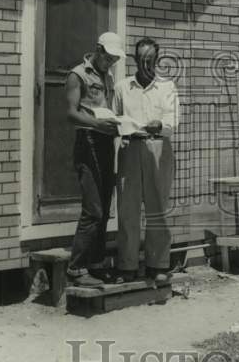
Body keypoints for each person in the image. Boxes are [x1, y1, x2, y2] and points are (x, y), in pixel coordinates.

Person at [113, 37, 180, 285]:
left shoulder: (167, 87)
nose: (146, 65)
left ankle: (158, 264)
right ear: (133, 59)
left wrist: (159, 124)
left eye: (150, 61)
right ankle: (127, 266)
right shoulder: (122, 87)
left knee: (157, 209)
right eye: (141, 61)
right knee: (128, 210)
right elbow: (114, 121)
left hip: (158, 149)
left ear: (157, 60)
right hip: (130, 148)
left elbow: (173, 123)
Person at [64, 32, 124, 288]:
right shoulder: (77, 74)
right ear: (98, 49)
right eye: (107, 57)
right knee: (93, 209)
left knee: (104, 208)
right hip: (88, 141)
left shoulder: (107, 76)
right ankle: (76, 268)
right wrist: (99, 125)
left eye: (114, 59)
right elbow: (71, 114)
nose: (110, 63)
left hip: (106, 143)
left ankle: (96, 264)